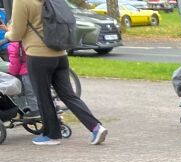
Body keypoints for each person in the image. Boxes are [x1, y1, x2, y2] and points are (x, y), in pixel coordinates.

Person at [4, 0, 108, 146]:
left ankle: (52, 135)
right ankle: (96, 127)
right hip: (60, 54)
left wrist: (7, 34)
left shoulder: (22, 1)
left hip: (38, 55)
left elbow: (17, 33)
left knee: (43, 96)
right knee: (68, 95)